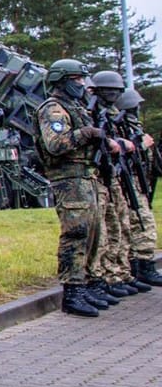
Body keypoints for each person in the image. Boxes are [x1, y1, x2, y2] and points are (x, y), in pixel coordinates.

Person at [36, 60, 115, 317]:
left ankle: (86, 283)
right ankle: (72, 290)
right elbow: (55, 144)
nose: (81, 84)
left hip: (85, 177)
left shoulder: (75, 107)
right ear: (62, 80)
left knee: (93, 233)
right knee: (76, 233)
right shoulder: (53, 109)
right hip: (68, 179)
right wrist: (86, 133)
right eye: (76, 79)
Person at [87, 70, 148, 297]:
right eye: (108, 90)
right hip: (99, 178)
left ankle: (118, 274)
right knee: (106, 230)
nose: (113, 94)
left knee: (119, 227)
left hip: (112, 177)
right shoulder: (92, 112)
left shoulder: (110, 115)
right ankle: (108, 276)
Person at [116, 87, 160, 287]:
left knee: (143, 223)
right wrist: (141, 145)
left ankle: (143, 265)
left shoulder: (133, 127)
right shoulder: (119, 128)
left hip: (139, 184)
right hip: (129, 184)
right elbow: (122, 155)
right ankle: (141, 266)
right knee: (139, 224)